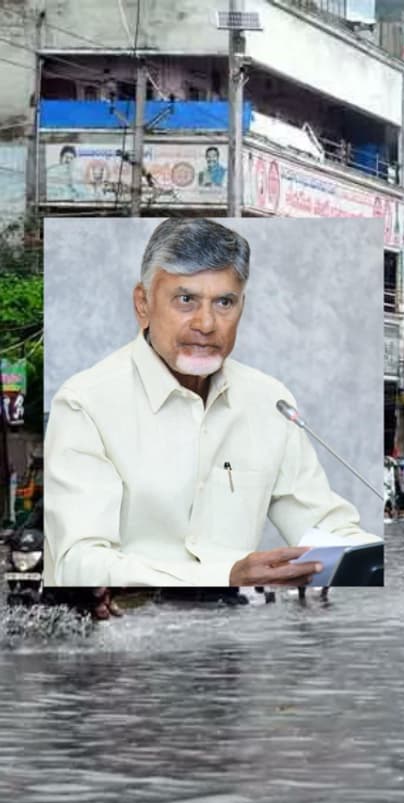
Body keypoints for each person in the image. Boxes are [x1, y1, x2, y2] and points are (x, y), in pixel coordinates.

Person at [43, 217, 381, 590]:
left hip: (237, 640)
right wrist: (224, 577)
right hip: (128, 637)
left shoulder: (269, 402)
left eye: (224, 302)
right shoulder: (85, 404)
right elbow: (78, 564)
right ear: (143, 303)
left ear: (242, 307)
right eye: (185, 300)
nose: (206, 323)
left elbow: (325, 529)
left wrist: (375, 562)